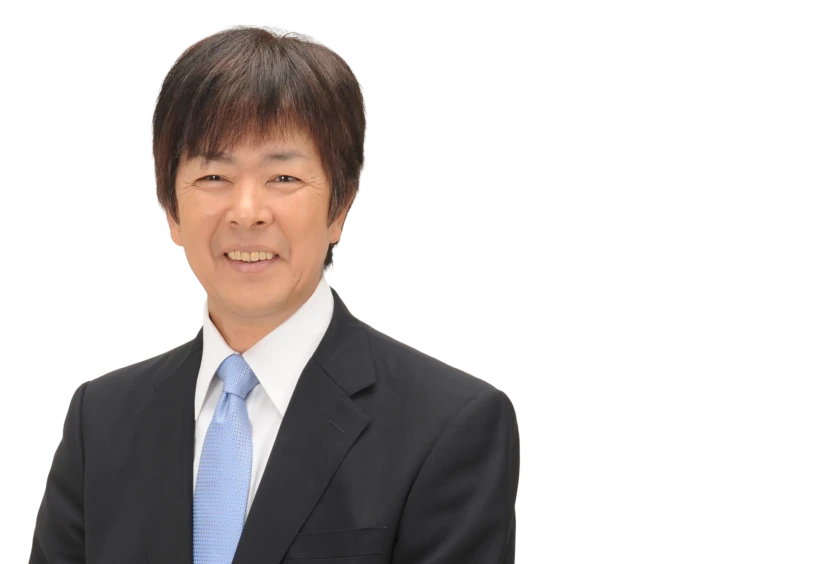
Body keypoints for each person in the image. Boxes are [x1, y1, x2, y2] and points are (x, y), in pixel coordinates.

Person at [30, 23, 519, 564]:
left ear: (342, 204)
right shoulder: (102, 420)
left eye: (283, 178)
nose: (247, 212)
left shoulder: (451, 425)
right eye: (213, 176)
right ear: (169, 207)